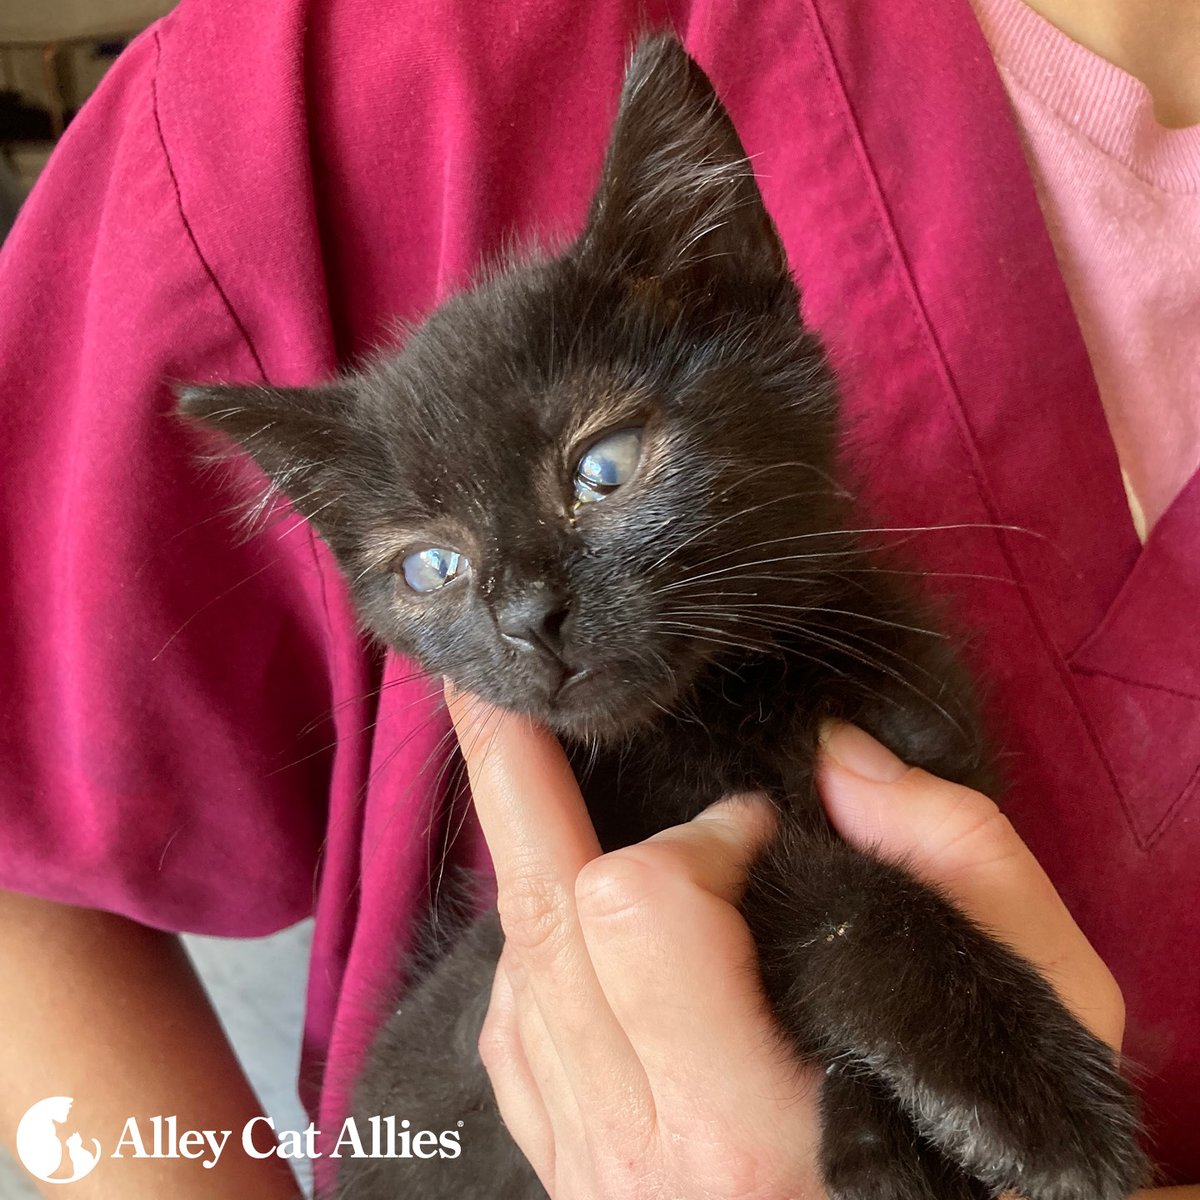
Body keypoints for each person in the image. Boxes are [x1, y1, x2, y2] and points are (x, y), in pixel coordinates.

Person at [0, 0, 1195, 1195]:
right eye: (433, 569)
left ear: (730, 303)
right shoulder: (299, 85)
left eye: (599, 469)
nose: (525, 615)